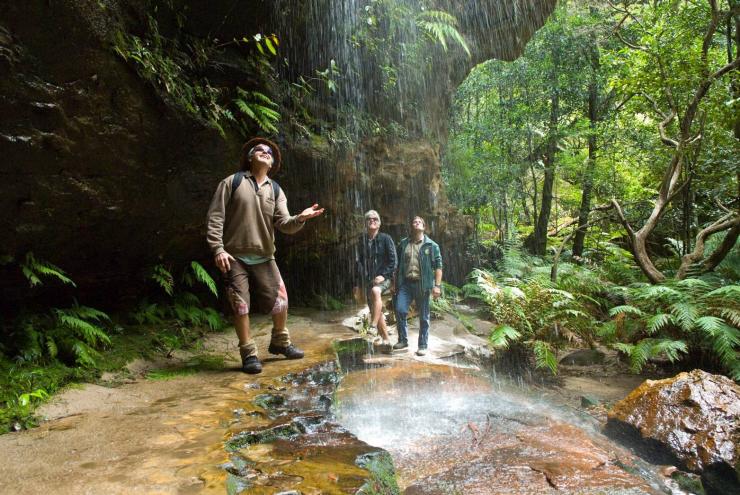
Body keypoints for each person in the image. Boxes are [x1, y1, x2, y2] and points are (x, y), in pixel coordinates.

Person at [206, 137, 324, 374]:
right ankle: (248, 353)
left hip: (265, 255)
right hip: (235, 255)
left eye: (269, 152)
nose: (265, 151)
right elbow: (215, 216)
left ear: (272, 164)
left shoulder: (276, 190)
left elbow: (284, 223)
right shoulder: (232, 182)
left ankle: (280, 342)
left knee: (281, 301)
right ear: (250, 158)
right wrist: (218, 248)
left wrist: (301, 217)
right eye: (259, 149)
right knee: (240, 305)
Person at [393, 216, 443, 356]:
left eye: (419, 221)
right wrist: (394, 283)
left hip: (423, 284)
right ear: (411, 226)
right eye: (414, 221)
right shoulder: (403, 244)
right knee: (400, 309)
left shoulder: (431, 246)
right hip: (406, 284)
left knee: (424, 317)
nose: (416, 223)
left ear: (424, 227)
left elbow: (438, 267)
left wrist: (437, 286)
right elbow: (397, 266)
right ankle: (403, 340)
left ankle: (422, 345)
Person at [355, 210, 397, 348]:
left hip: (384, 278)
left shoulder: (386, 238)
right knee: (375, 309)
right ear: (366, 223)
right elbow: (358, 264)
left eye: (375, 219)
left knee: (375, 292)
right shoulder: (362, 241)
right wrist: (357, 285)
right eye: (369, 219)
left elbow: (393, 261)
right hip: (369, 280)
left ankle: (372, 325)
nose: (372, 220)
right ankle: (386, 341)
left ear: (379, 223)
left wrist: (383, 275)